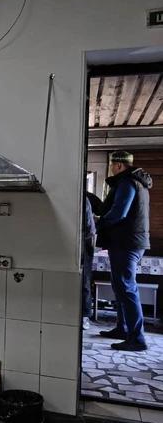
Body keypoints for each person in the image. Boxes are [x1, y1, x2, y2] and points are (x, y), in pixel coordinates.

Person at [97, 150, 152, 352]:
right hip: (130, 242)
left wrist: (98, 222)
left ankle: (137, 339)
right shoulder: (137, 183)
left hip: (126, 243)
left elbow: (119, 213)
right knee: (121, 286)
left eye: (112, 165)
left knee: (127, 288)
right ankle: (123, 329)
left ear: (119, 165)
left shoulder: (127, 183)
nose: (111, 168)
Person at [82, 196, 96, 329]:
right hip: (85, 240)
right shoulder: (84, 198)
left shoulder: (83, 198)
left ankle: (85, 316)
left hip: (85, 241)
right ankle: (84, 316)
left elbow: (87, 224)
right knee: (84, 281)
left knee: (84, 281)